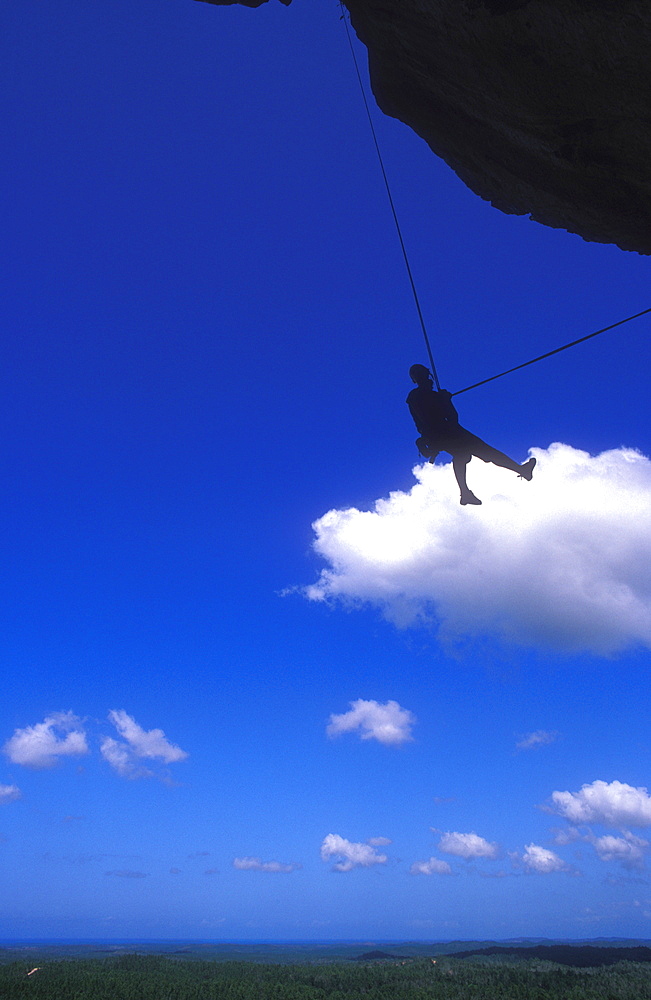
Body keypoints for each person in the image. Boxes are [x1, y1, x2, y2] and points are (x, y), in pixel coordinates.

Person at [406, 363, 535, 505]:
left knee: (467, 454)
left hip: (446, 432)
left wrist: (445, 401)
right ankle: (519, 470)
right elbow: (440, 418)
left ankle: (466, 493)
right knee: (479, 452)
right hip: (444, 433)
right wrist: (445, 401)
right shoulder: (418, 396)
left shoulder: (426, 396)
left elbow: (452, 418)